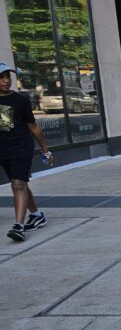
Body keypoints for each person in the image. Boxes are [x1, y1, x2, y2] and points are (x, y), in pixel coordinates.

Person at [0, 62, 53, 242]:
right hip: (3, 149)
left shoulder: (20, 101)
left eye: (8, 76)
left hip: (21, 146)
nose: (6, 81)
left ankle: (18, 227)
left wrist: (45, 150)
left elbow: (33, 126)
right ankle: (37, 215)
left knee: (17, 184)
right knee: (20, 182)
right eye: (1, 77)